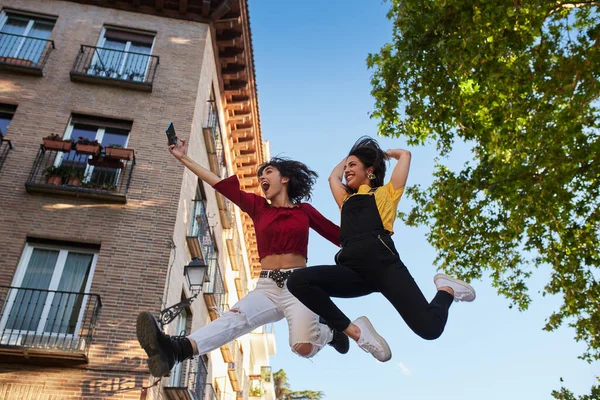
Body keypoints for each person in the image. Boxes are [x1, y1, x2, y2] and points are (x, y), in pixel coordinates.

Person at [136, 139, 349, 377]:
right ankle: (177, 350)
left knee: (303, 347)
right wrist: (182, 157)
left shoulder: (304, 211)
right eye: (260, 177)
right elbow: (219, 183)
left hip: (299, 286)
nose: (262, 179)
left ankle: (330, 331)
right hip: (267, 286)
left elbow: (340, 236)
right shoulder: (259, 207)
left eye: (268, 172)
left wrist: (371, 233)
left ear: (285, 178)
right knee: (234, 320)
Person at [287, 137, 476, 363]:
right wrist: (349, 158)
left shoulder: (386, 194)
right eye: (346, 166)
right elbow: (332, 177)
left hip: (384, 267)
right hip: (354, 271)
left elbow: (405, 155)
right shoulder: (345, 200)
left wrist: (381, 154)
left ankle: (446, 289)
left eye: (353, 165)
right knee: (297, 281)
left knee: (430, 329)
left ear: (370, 171)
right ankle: (355, 332)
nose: (346, 170)